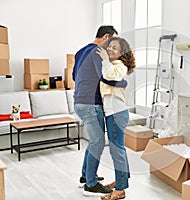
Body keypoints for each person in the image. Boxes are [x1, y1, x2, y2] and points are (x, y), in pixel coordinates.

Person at [73, 25, 127, 197]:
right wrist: (124, 83)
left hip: (79, 101)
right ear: (105, 37)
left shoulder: (81, 51)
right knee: (97, 143)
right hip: (91, 104)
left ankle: (86, 175)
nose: (111, 47)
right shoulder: (97, 52)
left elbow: (75, 76)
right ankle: (91, 184)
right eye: (111, 42)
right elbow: (105, 77)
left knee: (94, 141)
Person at [96, 36, 136, 200]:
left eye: (114, 48)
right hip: (113, 113)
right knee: (118, 150)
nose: (110, 49)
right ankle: (121, 181)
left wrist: (105, 60)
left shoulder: (120, 65)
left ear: (121, 53)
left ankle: (120, 189)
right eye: (109, 46)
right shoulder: (113, 65)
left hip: (116, 113)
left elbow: (112, 78)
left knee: (116, 150)